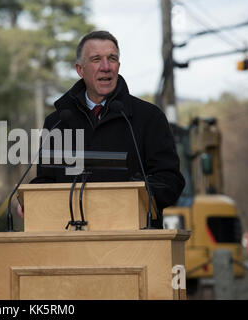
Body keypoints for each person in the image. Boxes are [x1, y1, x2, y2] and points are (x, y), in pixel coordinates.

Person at [18, 30, 185, 227]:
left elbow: (171, 182)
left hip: (134, 242)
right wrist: (31, 199)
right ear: (80, 69)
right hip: (71, 243)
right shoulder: (58, 122)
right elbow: (47, 180)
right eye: (96, 59)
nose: (106, 67)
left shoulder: (150, 117)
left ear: (118, 66)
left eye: (112, 59)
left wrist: (136, 190)